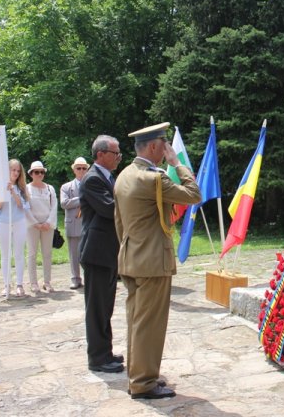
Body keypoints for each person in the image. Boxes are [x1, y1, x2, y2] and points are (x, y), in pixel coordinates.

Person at [114, 122, 201, 400]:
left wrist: (130, 249)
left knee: (137, 322)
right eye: (164, 145)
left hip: (131, 258)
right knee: (150, 325)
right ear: (153, 147)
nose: (167, 151)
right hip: (152, 261)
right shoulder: (154, 178)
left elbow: (120, 223)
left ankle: (137, 375)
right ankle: (143, 383)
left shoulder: (125, 175)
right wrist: (177, 164)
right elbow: (193, 194)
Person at [79, 135, 124, 373]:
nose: (119, 157)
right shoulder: (92, 180)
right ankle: (97, 358)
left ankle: (105, 351)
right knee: (96, 308)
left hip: (108, 252)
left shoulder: (108, 177)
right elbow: (110, 209)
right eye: (115, 153)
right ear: (100, 155)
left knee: (106, 306)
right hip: (96, 252)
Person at [0, 159, 31, 299]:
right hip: (3, 223)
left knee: (18, 254)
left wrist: (13, 192)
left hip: (19, 222)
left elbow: (21, 205)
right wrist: (4, 195)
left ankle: (19, 284)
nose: (16, 173)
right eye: (13, 170)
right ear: (7, 171)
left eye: (18, 171)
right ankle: (6, 284)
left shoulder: (22, 188)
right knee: (5, 255)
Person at [25, 160, 58, 294]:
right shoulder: (26, 188)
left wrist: (48, 223)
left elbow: (54, 206)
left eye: (41, 172)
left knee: (47, 253)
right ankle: (33, 282)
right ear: (31, 174)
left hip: (47, 225)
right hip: (32, 225)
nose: (39, 174)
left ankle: (47, 281)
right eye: (36, 172)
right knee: (32, 253)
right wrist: (35, 223)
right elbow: (25, 208)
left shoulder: (50, 189)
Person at [61, 157, 89, 290]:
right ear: (74, 169)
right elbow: (64, 203)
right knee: (73, 254)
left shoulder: (92, 184)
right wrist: (82, 198)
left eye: (84, 168)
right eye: (79, 168)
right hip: (73, 223)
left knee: (88, 252)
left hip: (88, 223)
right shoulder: (66, 187)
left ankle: (88, 277)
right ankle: (75, 279)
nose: (81, 170)